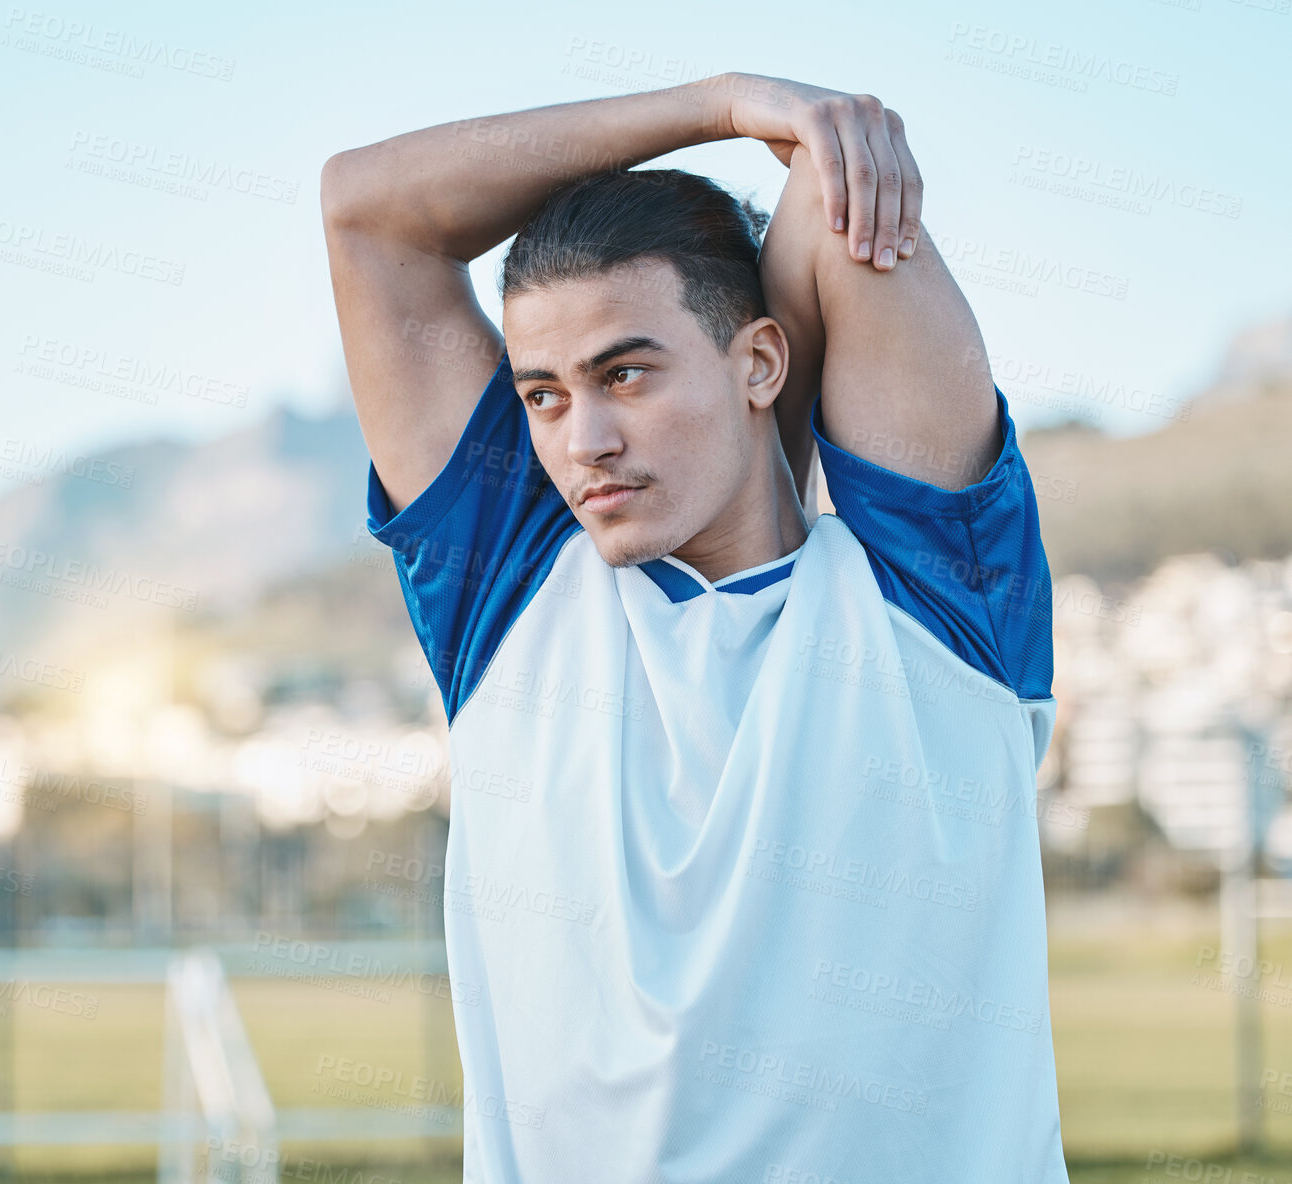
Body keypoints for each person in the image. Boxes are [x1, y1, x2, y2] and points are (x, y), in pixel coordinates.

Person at [320, 70, 1066, 1183]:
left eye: (627, 371)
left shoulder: (936, 594)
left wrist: (793, 133)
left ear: (761, 360)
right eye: (546, 395)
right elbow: (368, 212)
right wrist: (715, 106)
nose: (587, 440)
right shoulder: (509, 587)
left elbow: (826, 188)